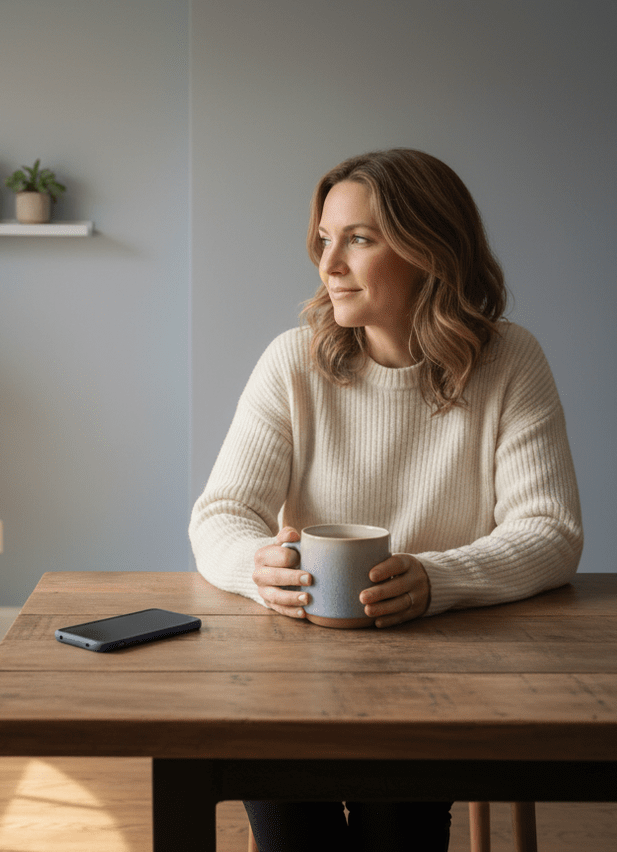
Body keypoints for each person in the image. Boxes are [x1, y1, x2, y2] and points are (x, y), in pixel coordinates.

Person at [188, 148, 583, 851]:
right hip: (297, 665)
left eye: (359, 239)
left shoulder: (510, 362)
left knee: (400, 828)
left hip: (439, 666)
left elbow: (550, 529)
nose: (328, 264)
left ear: (431, 249)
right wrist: (259, 567)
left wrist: (438, 581)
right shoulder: (292, 361)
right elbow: (221, 515)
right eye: (324, 240)